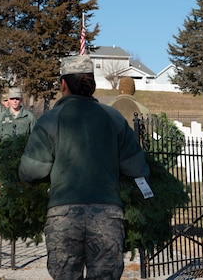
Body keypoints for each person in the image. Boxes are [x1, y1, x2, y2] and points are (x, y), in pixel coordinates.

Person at [18, 55, 150, 280]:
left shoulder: (51, 120)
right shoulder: (114, 119)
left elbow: (32, 171)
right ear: (92, 85)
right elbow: (137, 167)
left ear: (63, 84)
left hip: (64, 215)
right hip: (107, 215)